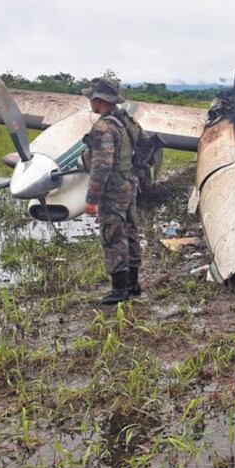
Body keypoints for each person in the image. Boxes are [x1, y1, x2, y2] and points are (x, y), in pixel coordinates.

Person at [82, 77, 145, 304]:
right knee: (130, 231)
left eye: (92, 98)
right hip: (129, 183)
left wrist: (91, 199)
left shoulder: (103, 127)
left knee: (113, 235)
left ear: (98, 101)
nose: (90, 102)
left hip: (113, 190)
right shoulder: (125, 121)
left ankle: (119, 290)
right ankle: (133, 284)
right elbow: (143, 147)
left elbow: (101, 165)